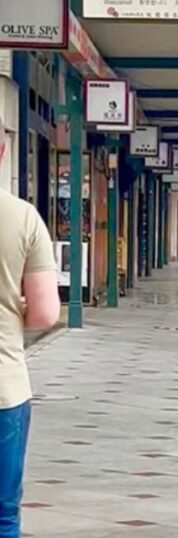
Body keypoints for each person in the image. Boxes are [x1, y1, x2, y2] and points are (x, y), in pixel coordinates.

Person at [0, 119, 61, 537]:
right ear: (2, 150)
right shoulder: (22, 218)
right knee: (3, 515)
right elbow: (44, 314)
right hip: (3, 387)